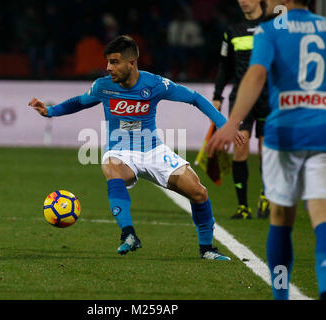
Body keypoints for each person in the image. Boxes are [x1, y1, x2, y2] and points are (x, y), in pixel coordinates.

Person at [29, 35, 244, 260]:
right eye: (108, 62)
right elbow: (79, 102)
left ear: (131, 63)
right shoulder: (103, 86)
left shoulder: (154, 84)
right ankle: (128, 234)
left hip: (153, 151)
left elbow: (195, 98)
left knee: (199, 193)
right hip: (119, 151)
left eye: (114, 62)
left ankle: (207, 249)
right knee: (111, 168)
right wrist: (50, 111)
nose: (108, 68)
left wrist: (224, 125)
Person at [207, 0, 326, 300]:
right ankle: (324, 285)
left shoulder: (270, 30)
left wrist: (232, 122)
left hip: (284, 134)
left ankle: (281, 293)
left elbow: (256, 75)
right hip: (321, 130)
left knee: (281, 217)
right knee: (321, 214)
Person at [212, 0, 270, 220]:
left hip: (268, 97)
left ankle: (266, 196)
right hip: (242, 99)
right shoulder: (232, 31)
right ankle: (243, 206)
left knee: (267, 152)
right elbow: (224, 66)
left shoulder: (272, 26)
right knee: (240, 149)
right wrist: (217, 95)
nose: (243, 1)